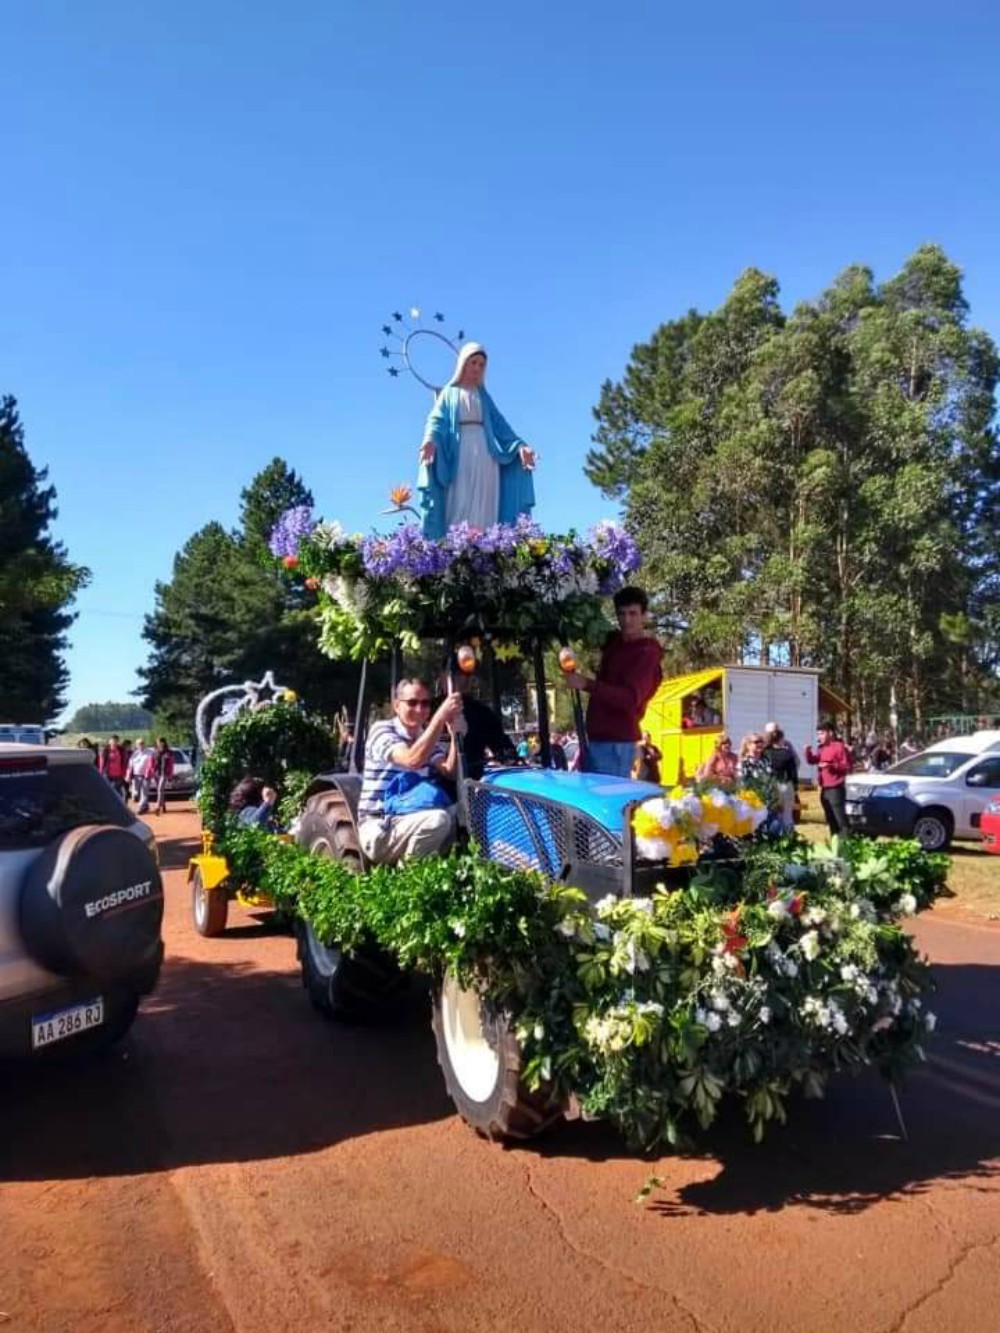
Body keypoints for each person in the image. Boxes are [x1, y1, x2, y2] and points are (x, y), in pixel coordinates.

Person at [417, 342, 537, 537]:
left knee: (484, 500)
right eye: (473, 362)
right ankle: (457, 543)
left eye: (481, 364)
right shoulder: (450, 392)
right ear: (463, 364)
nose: (477, 368)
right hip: (459, 451)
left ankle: (482, 545)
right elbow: (436, 420)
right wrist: (430, 440)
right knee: (460, 498)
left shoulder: (483, 396)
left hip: (485, 453)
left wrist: (520, 446)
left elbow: (500, 424)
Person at [356, 679, 463, 865]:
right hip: (380, 826)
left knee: (467, 811)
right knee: (438, 820)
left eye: (425, 703)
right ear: (397, 705)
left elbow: (449, 771)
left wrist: (454, 735)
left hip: (412, 817)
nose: (420, 709)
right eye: (412, 702)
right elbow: (411, 760)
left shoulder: (424, 737)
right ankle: (410, 877)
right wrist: (440, 718)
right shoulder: (382, 730)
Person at [562, 587, 663, 779]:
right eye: (622, 614)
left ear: (644, 616)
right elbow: (587, 629)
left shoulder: (646, 654)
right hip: (599, 739)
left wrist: (586, 684)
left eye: (633, 614)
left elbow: (629, 699)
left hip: (616, 743)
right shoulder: (615, 641)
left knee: (604, 803)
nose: (627, 620)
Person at [436, 658, 518, 781]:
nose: (466, 679)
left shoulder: (482, 713)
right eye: (459, 674)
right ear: (443, 676)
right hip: (435, 785)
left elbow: (504, 750)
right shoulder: (426, 709)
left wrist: (511, 759)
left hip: (472, 786)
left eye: (468, 674)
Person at [805, 722, 852, 835]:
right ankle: (834, 845)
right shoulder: (822, 748)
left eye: (821, 733)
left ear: (830, 733)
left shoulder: (839, 747)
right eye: (818, 734)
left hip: (836, 789)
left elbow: (847, 766)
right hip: (824, 789)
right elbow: (813, 760)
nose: (819, 736)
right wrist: (807, 752)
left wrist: (831, 766)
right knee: (831, 820)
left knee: (840, 821)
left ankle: (846, 847)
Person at [763, 727, 799, 832]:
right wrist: (795, 787)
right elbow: (793, 772)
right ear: (781, 739)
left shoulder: (765, 752)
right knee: (787, 815)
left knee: (773, 815)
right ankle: (789, 837)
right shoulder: (787, 754)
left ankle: (774, 838)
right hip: (785, 784)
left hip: (771, 786)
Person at [143, 738, 175, 816]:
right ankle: (163, 805)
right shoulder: (155, 752)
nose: (159, 744)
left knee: (160, 789)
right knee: (160, 790)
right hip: (157, 773)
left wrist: (171, 774)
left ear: (164, 743)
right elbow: (151, 763)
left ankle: (158, 807)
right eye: (158, 742)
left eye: (161, 742)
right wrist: (150, 772)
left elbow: (171, 764)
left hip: (165, 773)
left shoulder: (169, 752)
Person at [129, 737, 153, 808]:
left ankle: (141, 807)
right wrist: (128, 775)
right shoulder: (135, 753)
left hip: (146, 776)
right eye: (139, 744)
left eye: (142, 743)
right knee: (137, 793)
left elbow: (152, 764)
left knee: (144, 792)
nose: (140, 745)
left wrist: (149, 772)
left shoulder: (149, 752)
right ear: (136, 745)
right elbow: (130, 764)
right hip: (136, 776)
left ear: (144, 744)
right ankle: (145, 805)